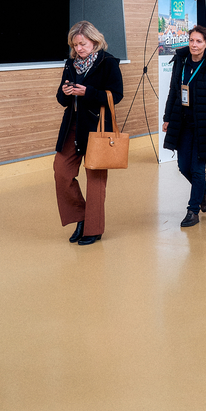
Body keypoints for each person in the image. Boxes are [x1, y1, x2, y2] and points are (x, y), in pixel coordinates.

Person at [53, 20, 124, 246]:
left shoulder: (108, 62)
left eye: (82, 44)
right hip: (72, 126)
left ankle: (94, 229)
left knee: (95, 180)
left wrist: (89, 92)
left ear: (94, 41)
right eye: (75, 45)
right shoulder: (70, 64)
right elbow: (61, 99)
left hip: (97, 128)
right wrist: (65, 92)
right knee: (61, 172)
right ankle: (81, 217)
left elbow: (116, 95)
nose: (78, 49)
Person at [162, 24, 206, 228]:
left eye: (199, 41)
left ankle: (193, 210)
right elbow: (173, 91)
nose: (194, 45)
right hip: (182, 122)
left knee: (198, 168)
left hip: (204, 124)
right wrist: (167, 117)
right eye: (191, 40)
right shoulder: (180, 61)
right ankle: (205, 189)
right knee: (183, 166)